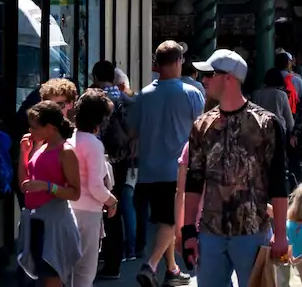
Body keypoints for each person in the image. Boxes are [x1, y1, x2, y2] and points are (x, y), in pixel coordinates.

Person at [181, 49, 290, 287]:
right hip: (210, 233)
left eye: (209, 74)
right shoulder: (201, 125)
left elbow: (279, 183)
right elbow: (194, 178)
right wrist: (188, 228)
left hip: (253, 232)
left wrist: (281, 234)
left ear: (229, 77)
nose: (203, 80)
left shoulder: (267, 124)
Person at [131, 41, 205, 287]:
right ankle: (150, 265)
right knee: (171, 221)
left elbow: (132, 131)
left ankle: (172, 270)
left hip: (148, 170)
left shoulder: (142, 95)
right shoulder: (192, 93)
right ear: (178, 61)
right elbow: (203, 132)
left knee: (165, 219)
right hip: (178, 171)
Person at [20, 101, 83, 287]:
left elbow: (75, 192)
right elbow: (24, 185)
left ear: (50, 128)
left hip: (54, 225)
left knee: (52, 277)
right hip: (35, 222)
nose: (30, 131)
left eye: (34, 127)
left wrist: (47, 186)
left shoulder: (66, 152)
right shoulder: (40, 148)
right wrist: (24, 155)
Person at [69, 89, 119, 287]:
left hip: (69, 208)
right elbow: (95, 186)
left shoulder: (70, 140)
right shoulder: (94, 145)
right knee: (85, 271)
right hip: (89, 212)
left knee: (70, 270)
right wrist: (112, 201)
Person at [90, 60, 135, 279]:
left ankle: (99, 256)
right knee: (115, 207)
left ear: (95, 75)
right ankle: (115, 260)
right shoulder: (125, 99)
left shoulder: (93, 98)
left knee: (97, 205)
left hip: (100, 157)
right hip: (121, 158)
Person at [252, 68, 296, 142]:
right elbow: (288, 117)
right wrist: (293, 133)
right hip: (279, 131)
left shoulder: (256, 94)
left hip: (261, 131)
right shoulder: (282, 95)